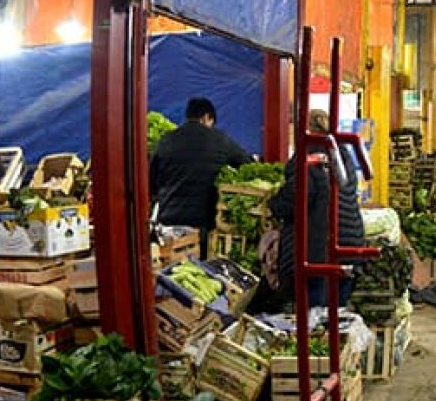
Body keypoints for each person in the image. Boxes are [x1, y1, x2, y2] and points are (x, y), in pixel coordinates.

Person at [268, 110, 364, 308]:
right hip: (350, 246)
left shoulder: (310, 155)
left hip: (319, 250)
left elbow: (294, 199)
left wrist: (273, 203)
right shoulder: (341, 154)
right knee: (336, 317)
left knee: (315, 319)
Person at [148, 97, 249, 233]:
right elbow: (247, 165)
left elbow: (150, 182)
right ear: (207, 117)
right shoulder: (219, 140)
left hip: (169, 221)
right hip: (204, 223)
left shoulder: (166, 140)